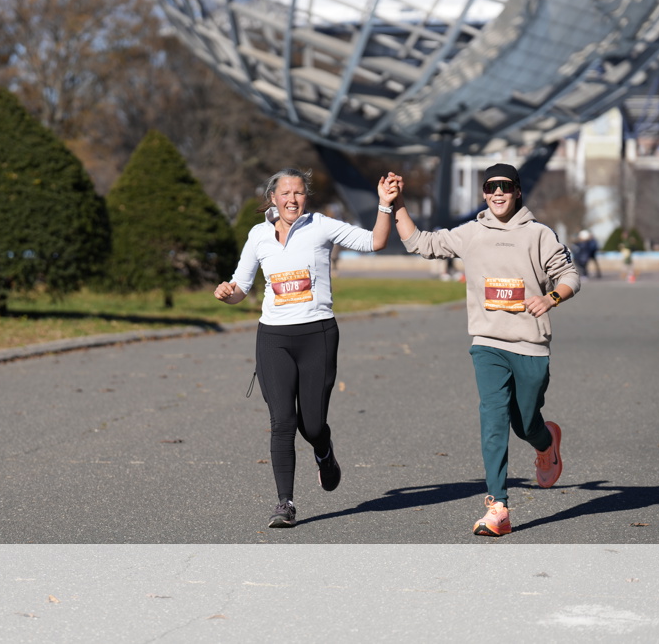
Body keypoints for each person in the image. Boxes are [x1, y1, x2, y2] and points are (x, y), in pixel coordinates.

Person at [386, 163, 580, 536]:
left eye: (505, 186)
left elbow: (570, 275)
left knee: (526, 424)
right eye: (491, 187)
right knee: (493, 420)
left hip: (531, 344)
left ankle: (546, 442)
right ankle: (498, 506)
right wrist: (397, 204)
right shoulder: (472, 233)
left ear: (517, 191)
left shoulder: (539, 234)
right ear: (484, 193)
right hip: (488, 344)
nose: (498, 193)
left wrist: (551, 298)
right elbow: (421, 243)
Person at [214, 167, 400, 528]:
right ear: (272, 198)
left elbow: (375, 242)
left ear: (306, 196)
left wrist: (384, 205)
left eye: (298, 193)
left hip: (317, 335)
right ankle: (285, 503)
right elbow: (241, 288)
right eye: (285, 193)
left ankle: (324, 451)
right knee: (282, 421)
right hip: (273, 338)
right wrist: (227, 293)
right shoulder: (258, 235)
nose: (292, 199)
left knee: (312, 425)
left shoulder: (321, 226)